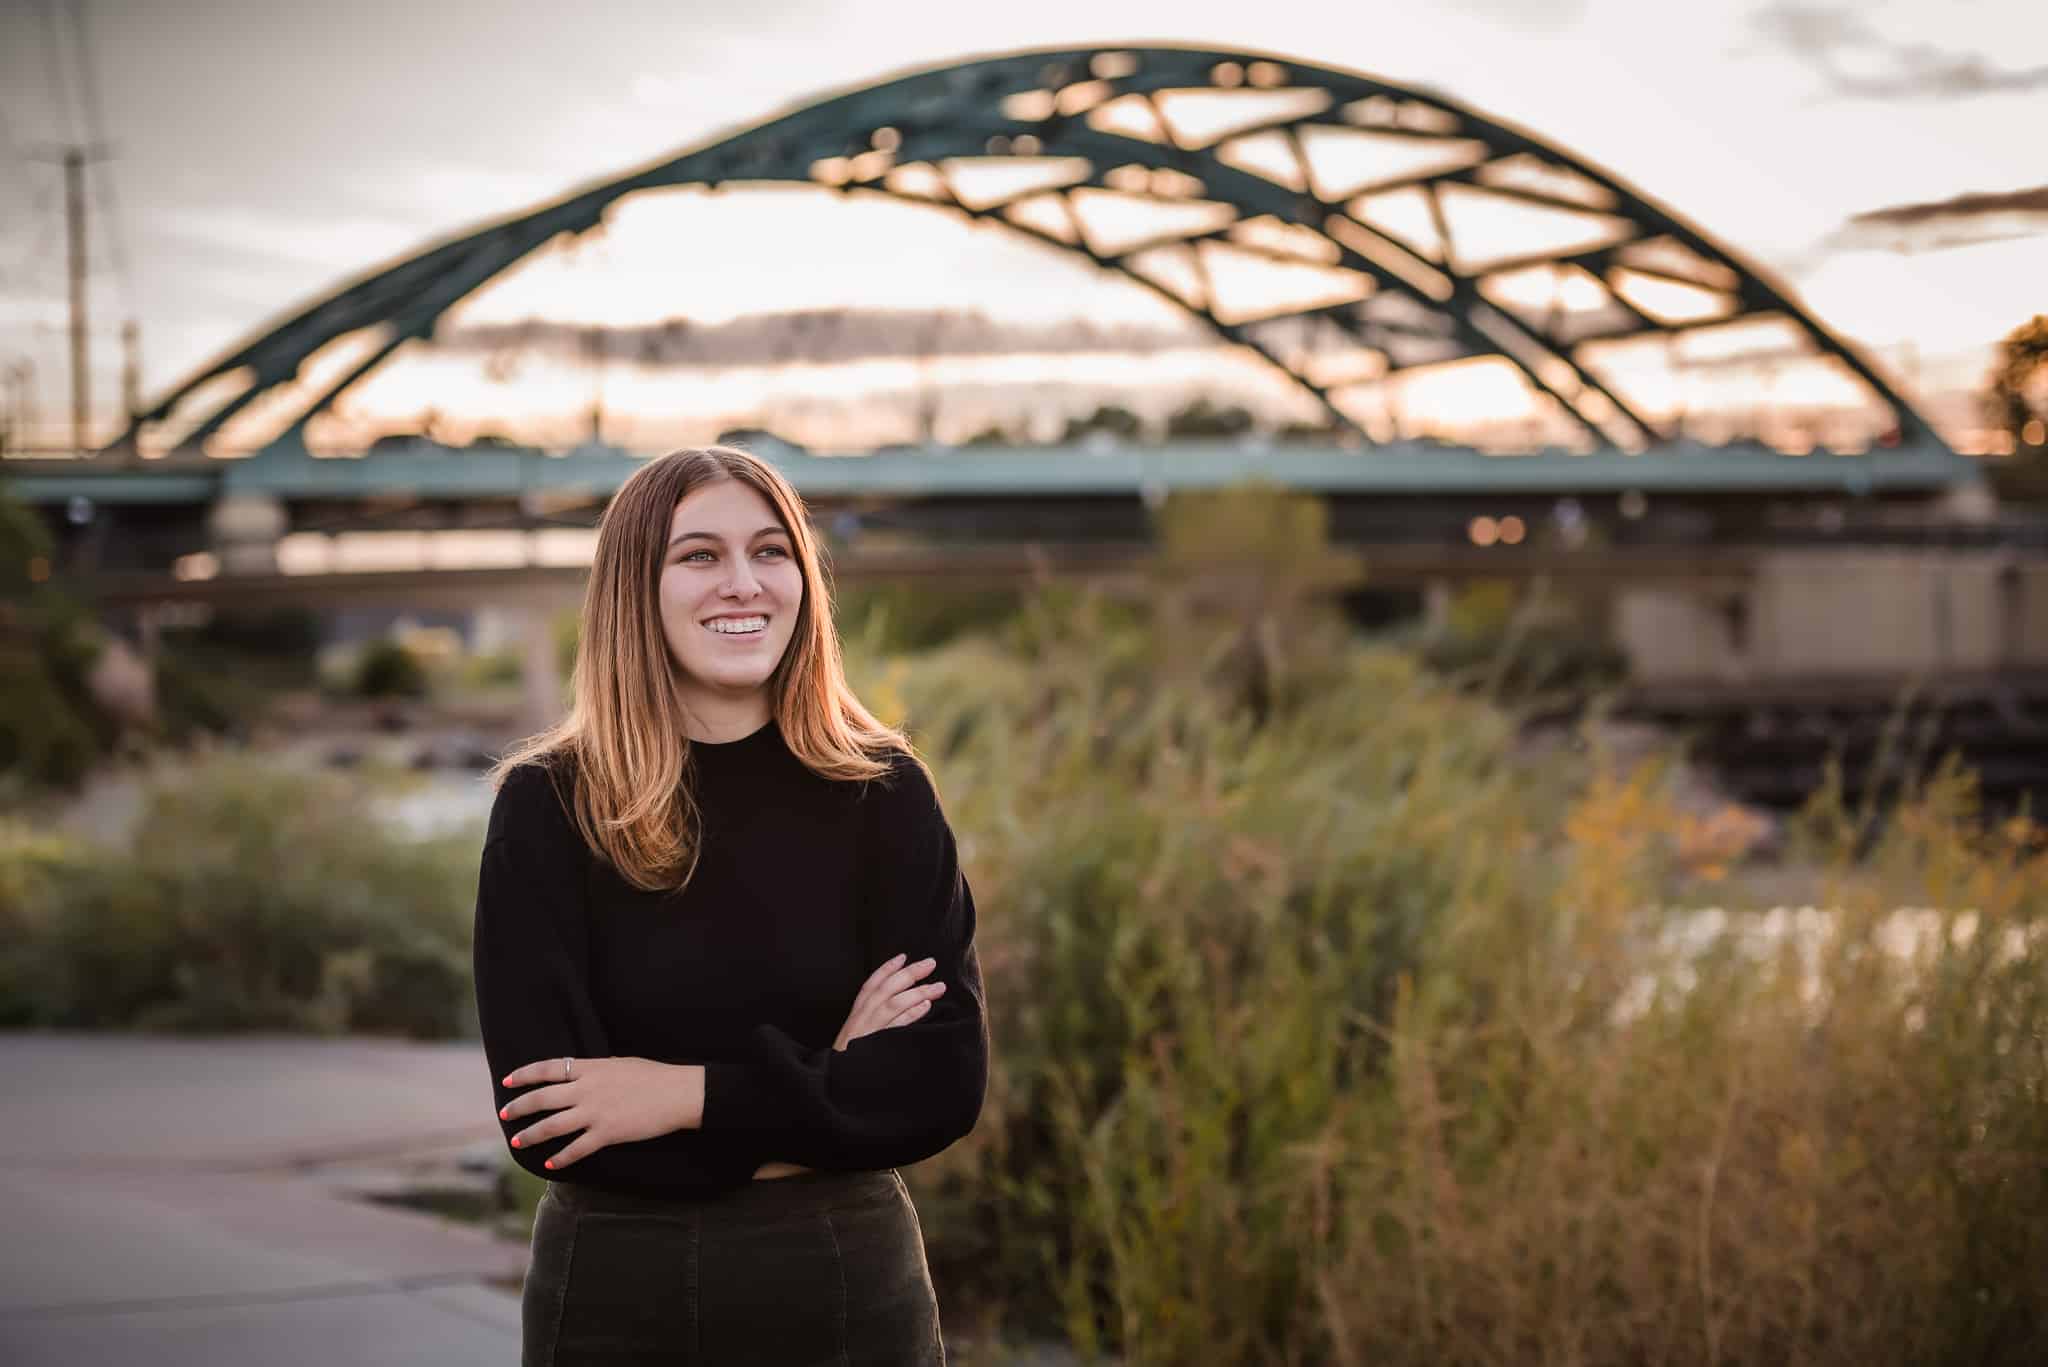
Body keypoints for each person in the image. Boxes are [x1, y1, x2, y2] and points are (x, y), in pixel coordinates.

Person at [472, 445, 989, 1365]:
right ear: (637, 587)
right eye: (700, 555)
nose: (743, 584)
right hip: (616, 1290)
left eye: (772, 550)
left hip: (842, 1274)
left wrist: (675, 1093)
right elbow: (548, 1122)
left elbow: (935, 1086)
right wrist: (828, 1078)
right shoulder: (548, 807)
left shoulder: (884, 794)